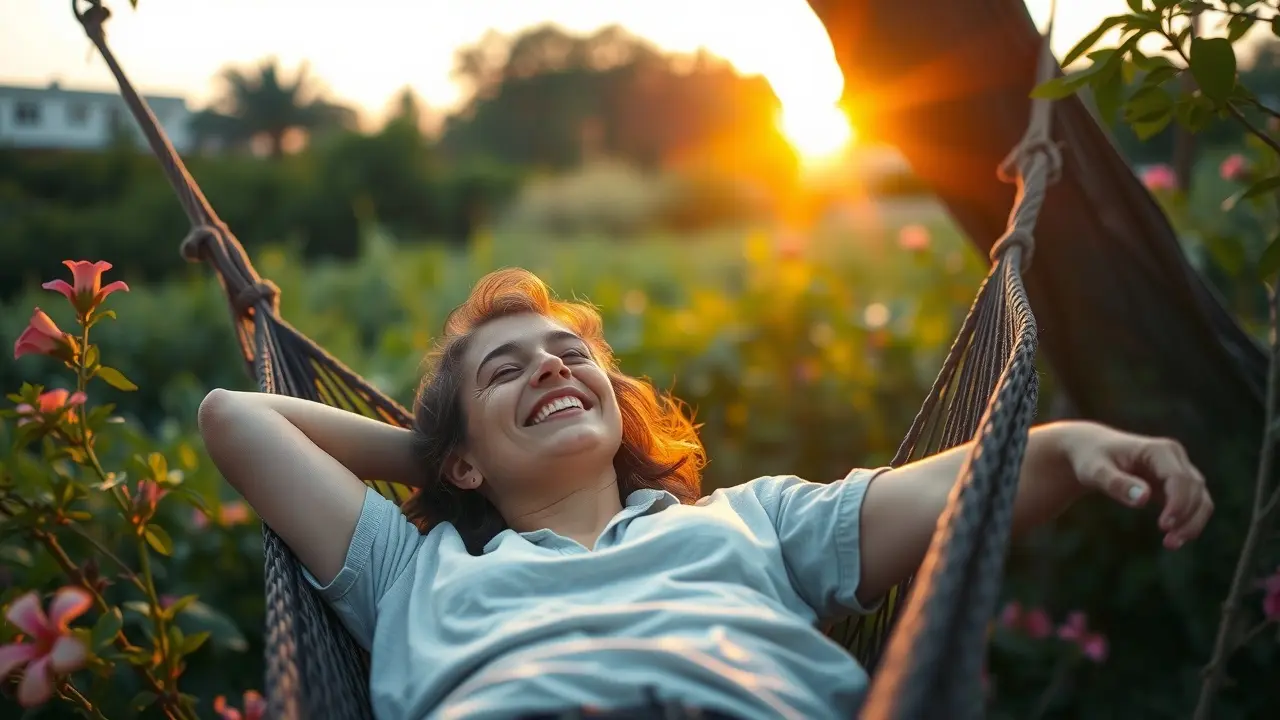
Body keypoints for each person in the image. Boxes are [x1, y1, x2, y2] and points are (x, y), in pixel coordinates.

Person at [197, 268, 1214, 720]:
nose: (553, 369)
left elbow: (958, 485)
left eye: (568, 357)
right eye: (507, 373)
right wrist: (434, 446)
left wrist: (1073, 441)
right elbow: (234, 418)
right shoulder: (409, 571)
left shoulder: (756, 521)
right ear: (457, 466)